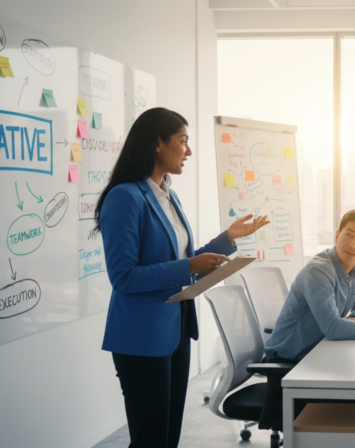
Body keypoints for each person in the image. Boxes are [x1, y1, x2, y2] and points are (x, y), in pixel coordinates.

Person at [97, 107, 270, 448]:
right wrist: (190, 267)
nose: (188, 151)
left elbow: (180, 259)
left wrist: (227, 240)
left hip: (175, 330)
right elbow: (124, 277)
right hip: (141, 338)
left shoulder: (168, 195)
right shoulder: (125, 197)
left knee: (168, 437)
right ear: (158, 144)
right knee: (150, 439)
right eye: (183, 141)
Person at [263, 208, 355, 363]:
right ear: (337, 235)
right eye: (349, 235)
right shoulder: (318, 271)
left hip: (322, 350)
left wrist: (354, 319)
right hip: (289, 360)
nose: (353, 245)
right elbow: (333, 329)